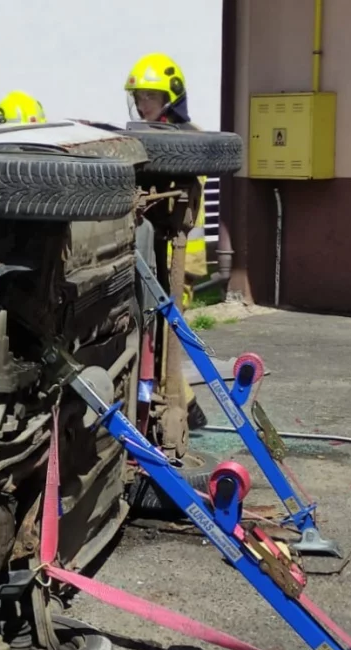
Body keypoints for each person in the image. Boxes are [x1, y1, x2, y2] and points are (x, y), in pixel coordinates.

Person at [125, 52, 208, 431]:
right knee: (153, 335)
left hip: (180, 258)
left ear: (171, 100)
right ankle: (176, 406)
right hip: (154, 250)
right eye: (139, 97)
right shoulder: (147, 138)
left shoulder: (186, 143)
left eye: (151, 98)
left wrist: (185, 273)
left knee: (165, 335)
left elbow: (184, 212)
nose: (143, 106)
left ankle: (185, 411)